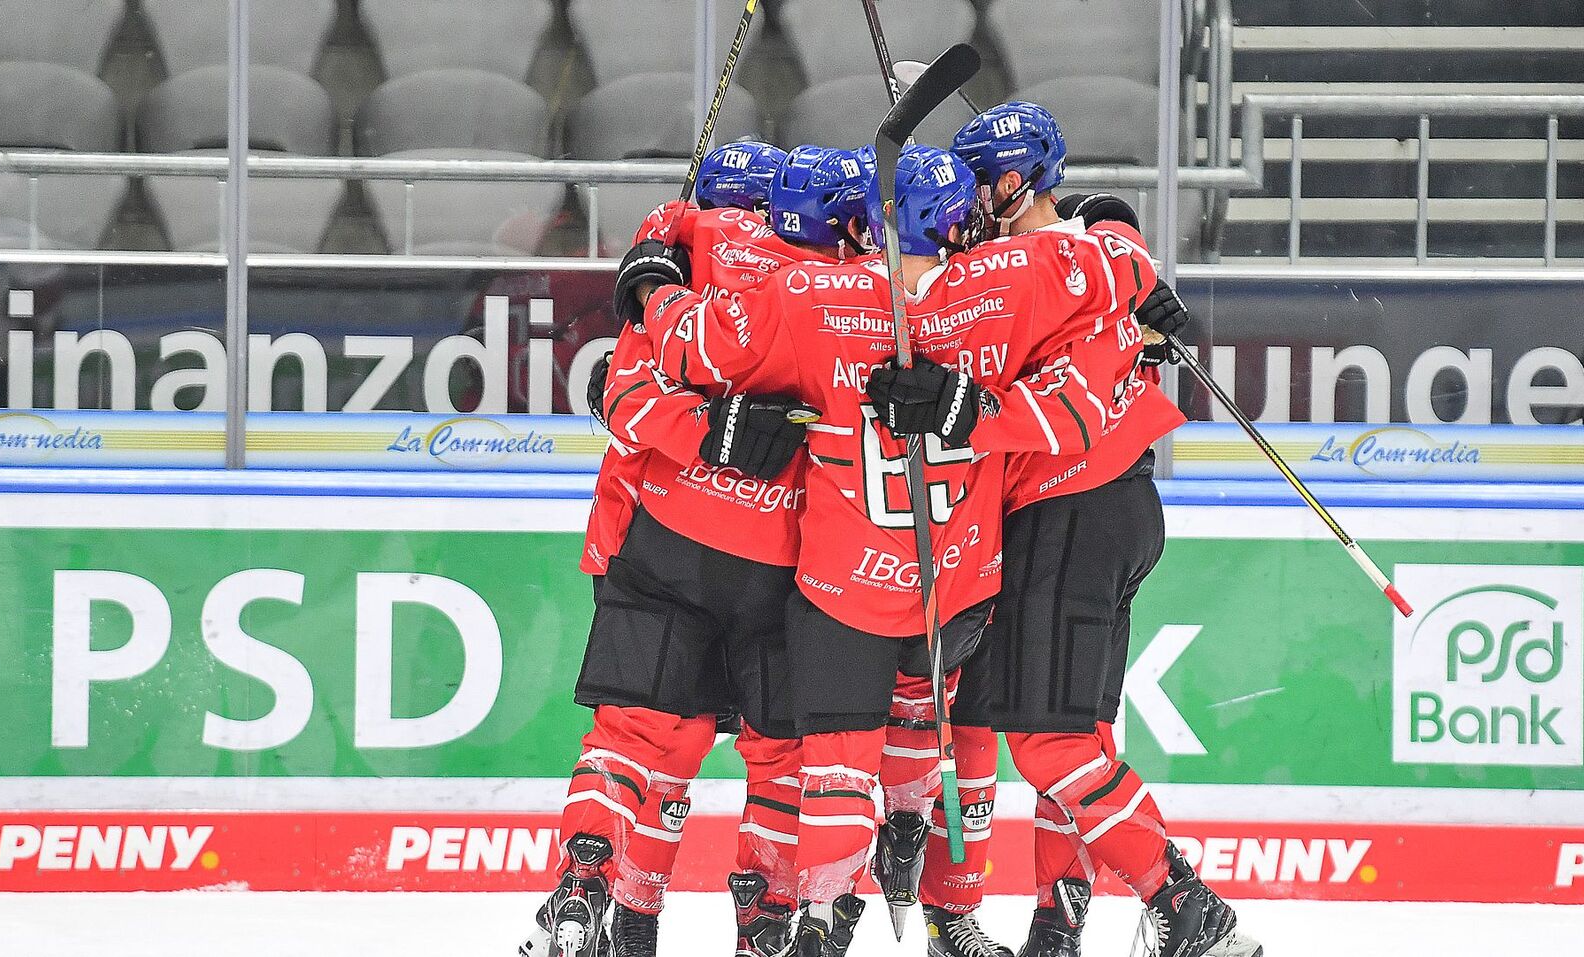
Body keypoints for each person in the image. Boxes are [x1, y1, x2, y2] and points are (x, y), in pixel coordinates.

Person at [629, 144, 1157, 956]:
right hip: (958, 576)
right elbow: (1091, 295)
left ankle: (824, 921)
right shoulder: (995, 288)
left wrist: (652, 284)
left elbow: (698, 348)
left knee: (836, 767)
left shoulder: (807, 294)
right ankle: (928, 865)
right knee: (959, 731)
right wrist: (1133, 271)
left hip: (844, 582)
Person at [527, 144, 874, 957]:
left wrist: (655, 265)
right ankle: (763, 919)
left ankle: (587, 889)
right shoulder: (863, 294)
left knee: (640, 737)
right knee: (777, 755)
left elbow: (626, 389)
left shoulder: (687, 266)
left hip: (664, 535)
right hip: (791, 560)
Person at [951, 101, 1263, 957]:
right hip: (1118, 504)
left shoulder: (1030, 264)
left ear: (1021, 183)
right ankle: (1061, 916)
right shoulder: (1096, 250)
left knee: (1049, 741)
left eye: (986, 182)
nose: (969, 198)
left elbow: (1037, 398)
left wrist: (954, 411)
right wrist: (1125, 243)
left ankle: (1186, 904)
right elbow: (1109, 240)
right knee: (1077, 735)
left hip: (1069, 505)